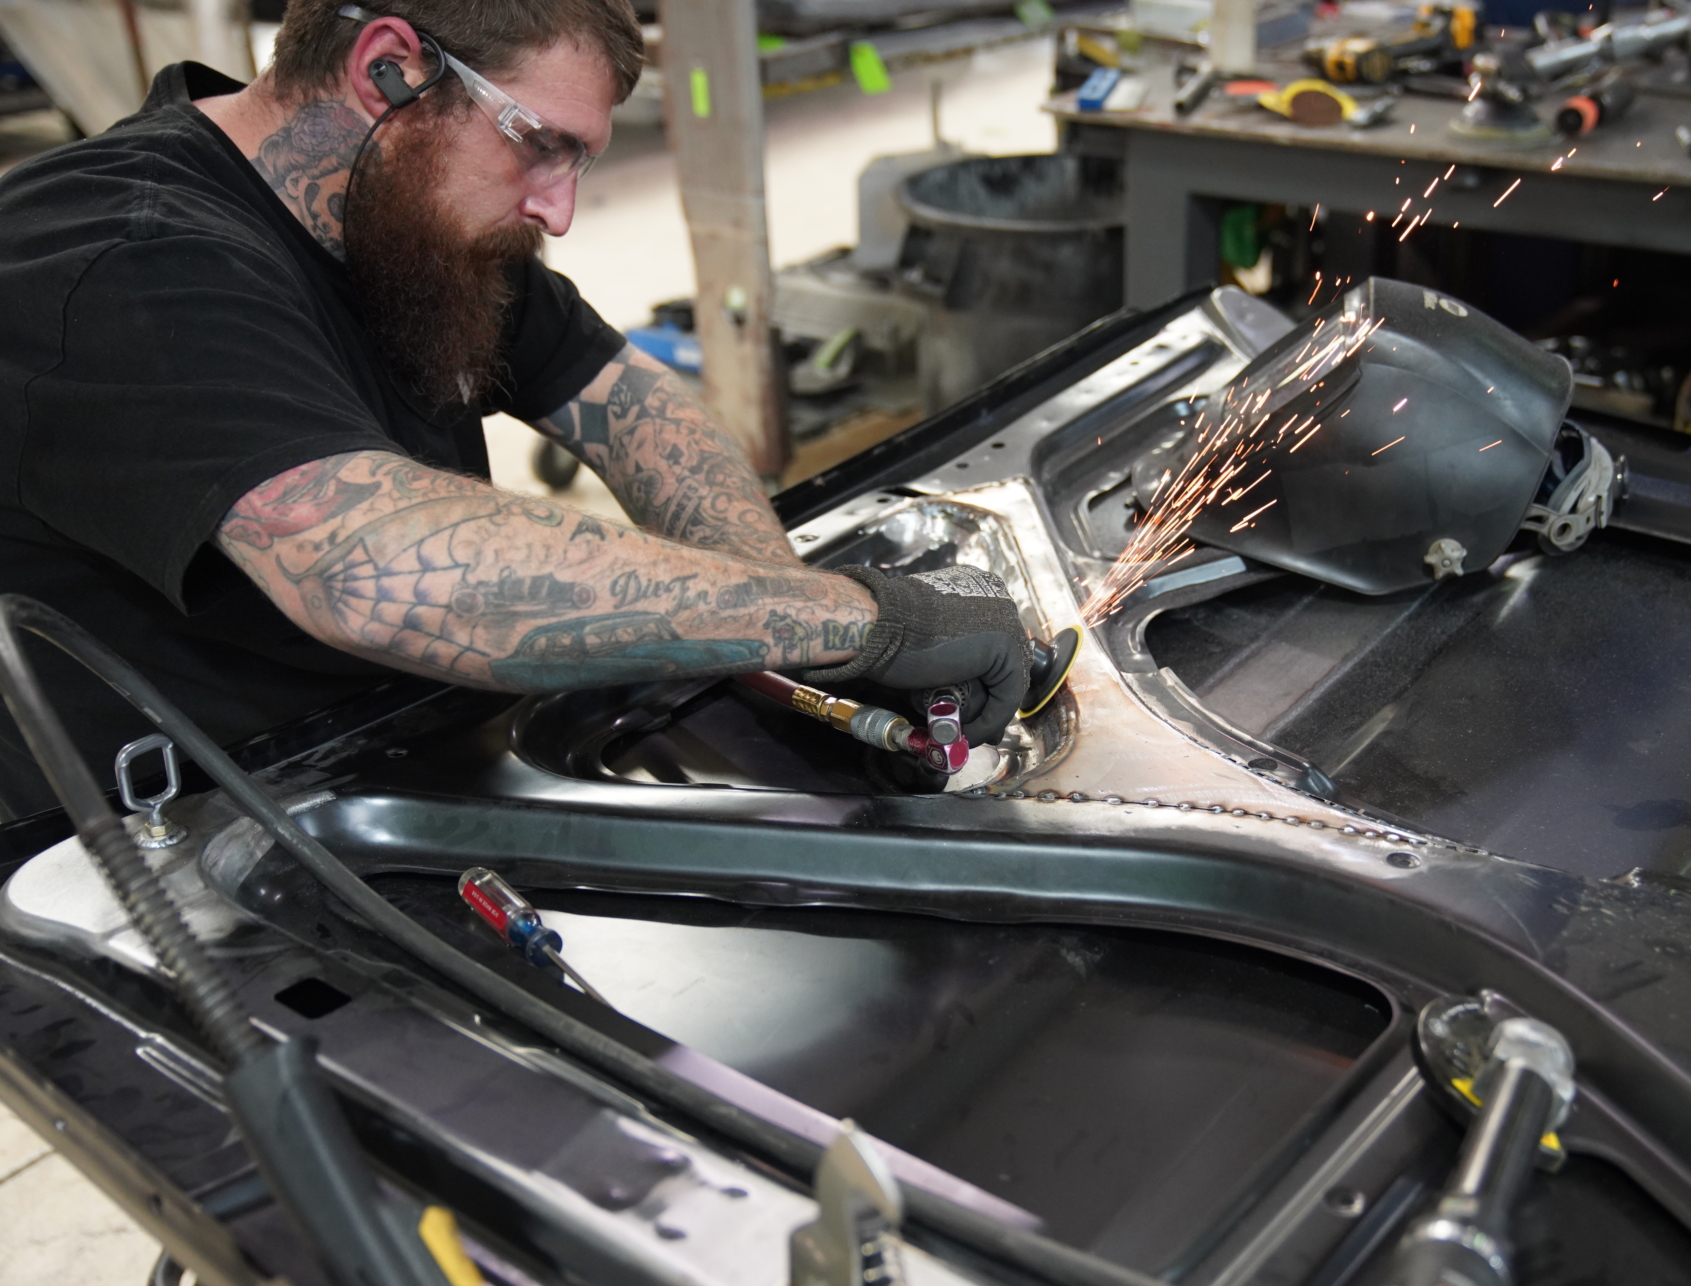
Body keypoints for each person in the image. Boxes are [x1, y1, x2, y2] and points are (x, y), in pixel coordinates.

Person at [0, 0, 1027, 818]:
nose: (559, 210)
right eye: (539, 143)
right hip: (169, 846)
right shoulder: (114, 256)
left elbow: (633, 409)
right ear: (388, 70)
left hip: (404, 763)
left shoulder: (403, 218)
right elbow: (371, 567)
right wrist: (858, 620)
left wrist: (787, 633)